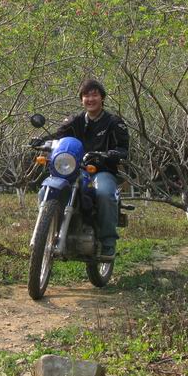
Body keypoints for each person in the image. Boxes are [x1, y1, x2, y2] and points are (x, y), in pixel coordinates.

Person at [31, 79, 129, 259]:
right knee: (45, 190)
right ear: (81, 99)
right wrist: (41, 140)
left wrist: (105, 155)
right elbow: (58, 135)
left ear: (102, 98)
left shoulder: (113, 122)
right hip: (73, 169)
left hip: (101, 170)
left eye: (94, 95)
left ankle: (108, 242)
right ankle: (47, 233)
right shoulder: (75, 120)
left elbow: (123, 149)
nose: (90, 99)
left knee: (104, 195)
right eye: (86, 95)